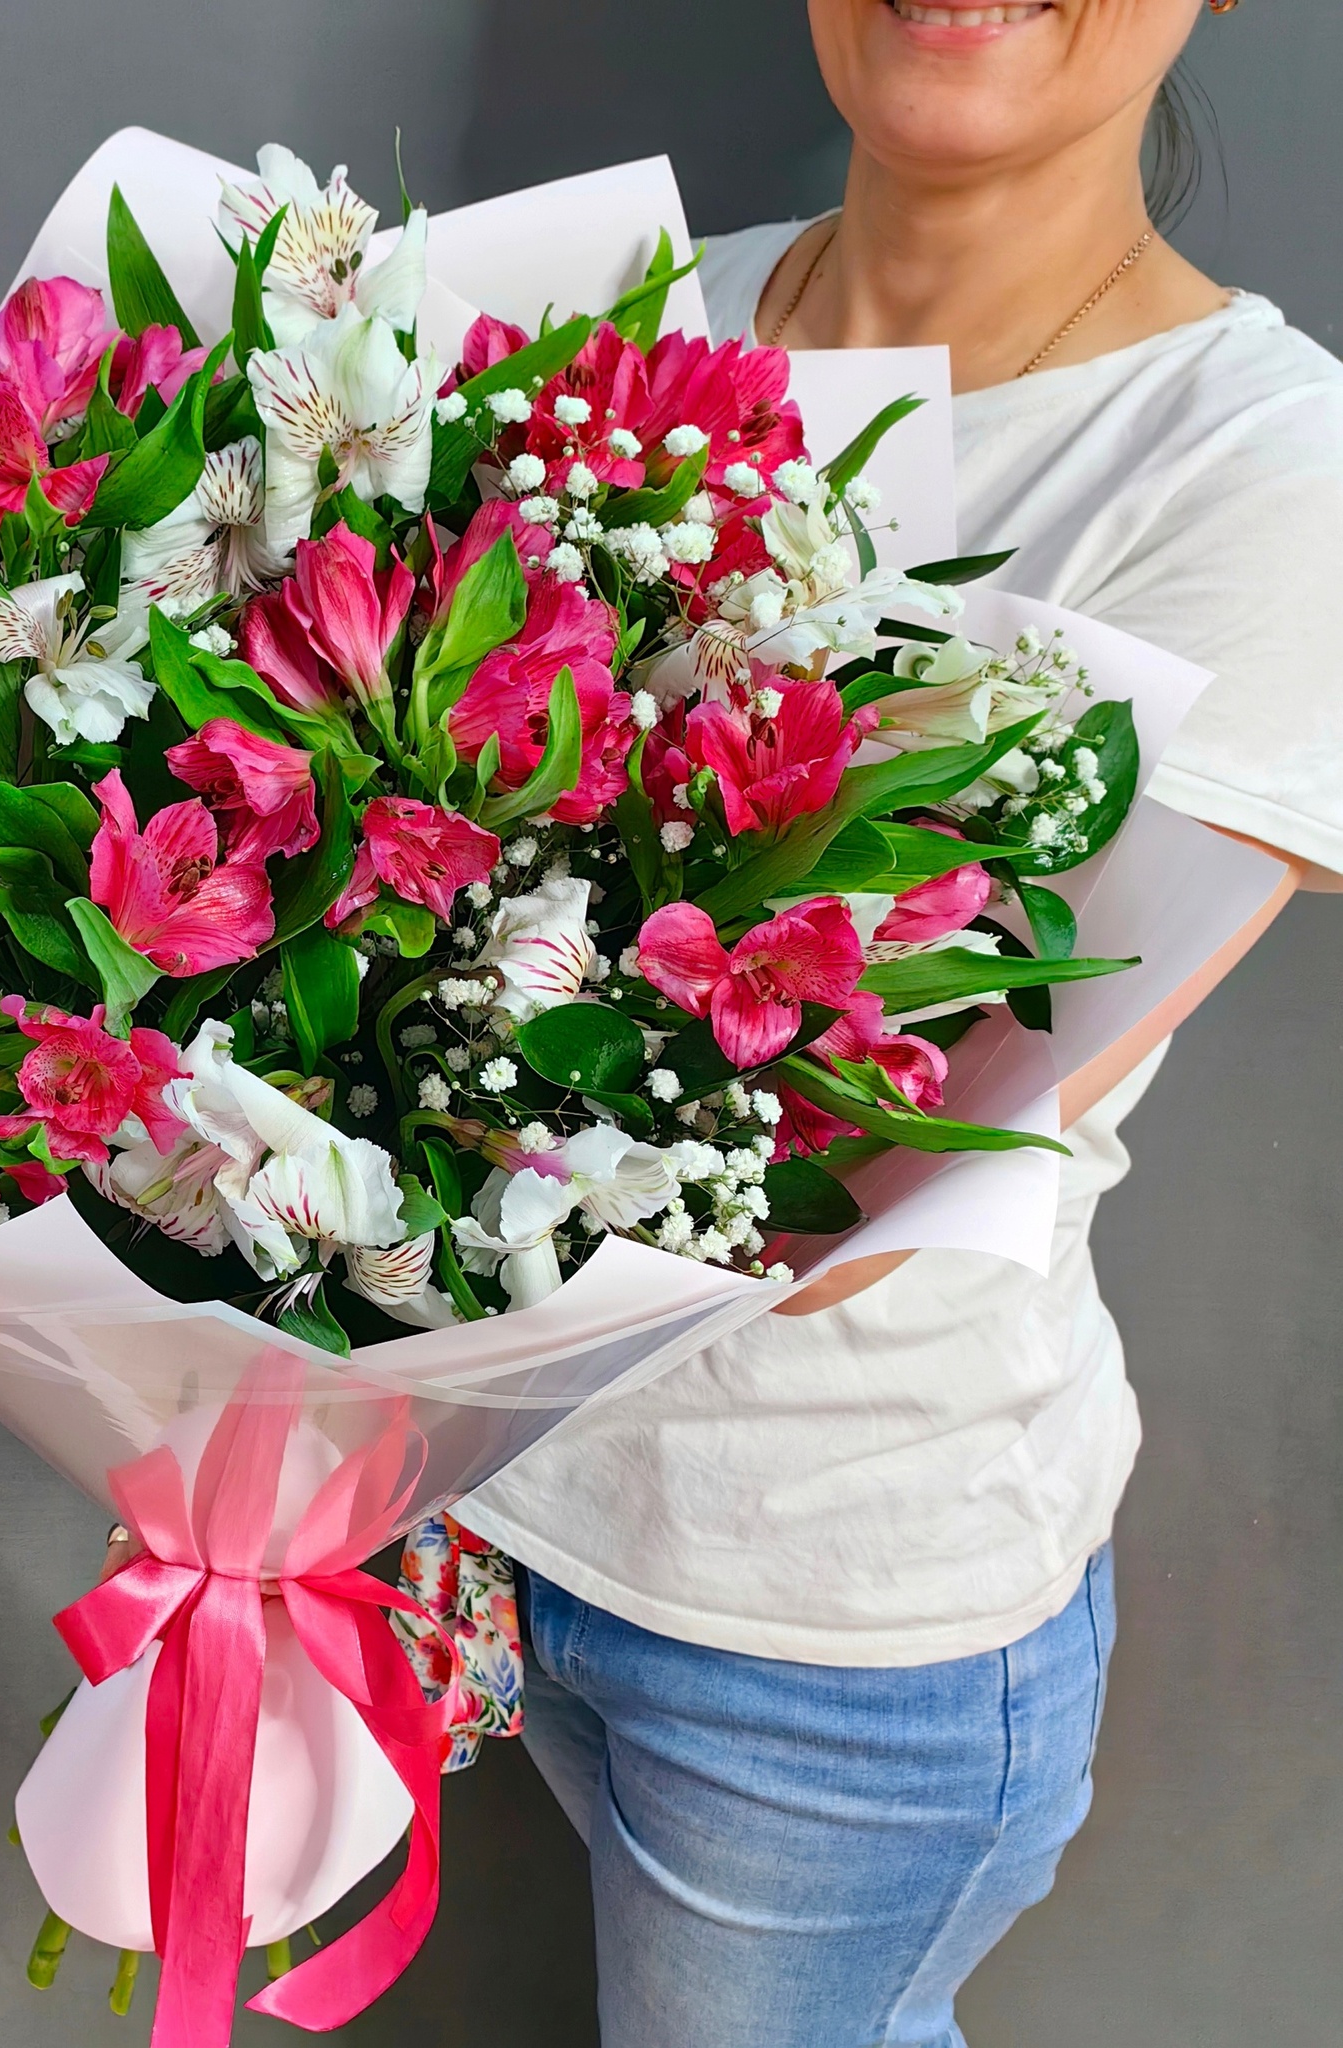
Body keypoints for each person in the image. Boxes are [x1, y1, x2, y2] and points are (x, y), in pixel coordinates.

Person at [454, 3, 1343, 2042]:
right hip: (492, 1502)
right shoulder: (599, 322)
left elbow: (853, 1167)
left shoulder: (1259, 471)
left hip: (824, 1627)